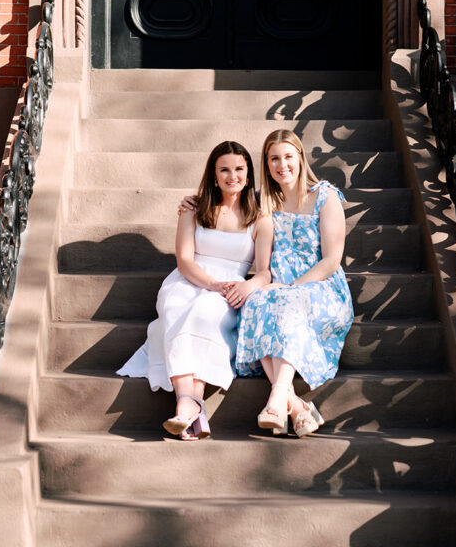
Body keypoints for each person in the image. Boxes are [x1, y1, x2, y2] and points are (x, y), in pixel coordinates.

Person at [117, 141, 272, 440]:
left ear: (249, 174)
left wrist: (247, 286)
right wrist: (210, 283)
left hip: (231, 287)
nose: (232, 176)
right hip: (188, 279)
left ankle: (186, 406)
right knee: (176, 308)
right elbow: (184, 259)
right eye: (224, 169)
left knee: (204, 313)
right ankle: (191, 404)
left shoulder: (261, 219)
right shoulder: (193, 209)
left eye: (239, 169)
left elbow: (264, 271)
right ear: (214, 175)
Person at [234, 129, 354, 437]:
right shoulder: (267, 205)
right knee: (255, 300)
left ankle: (276, 397)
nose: (281, 165)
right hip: (280, 289)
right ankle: (296, 406)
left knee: (285, 302)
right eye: (274, 158)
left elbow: (331, 261)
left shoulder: (324, 196)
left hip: (322, 287)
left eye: (288, 156)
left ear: (300, 159)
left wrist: (292, 287)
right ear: (266, 163)